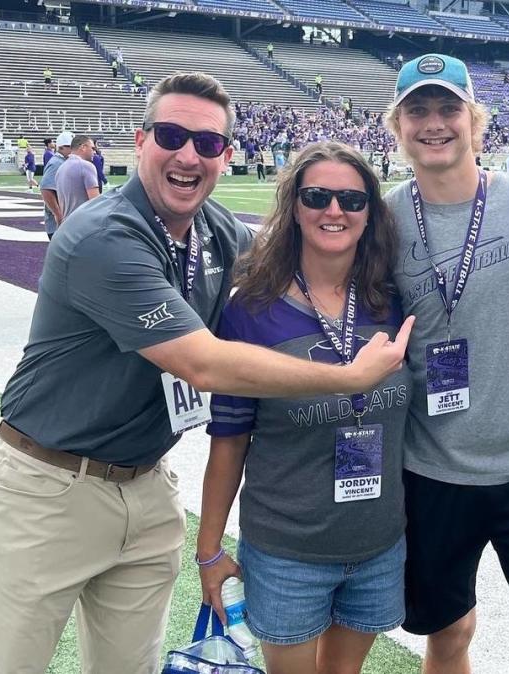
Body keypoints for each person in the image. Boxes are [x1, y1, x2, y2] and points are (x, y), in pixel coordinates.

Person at [0, 72, 411, 674]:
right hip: (49, 485)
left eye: (207, 143)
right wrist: (350, 377)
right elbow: (199, 362)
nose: (188, 154)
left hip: (146, 484)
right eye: (172, 135)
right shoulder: (104, 234)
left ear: (225, 156)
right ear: (140, 139)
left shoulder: (210, 230)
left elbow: (289, 250)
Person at [383, 54, 509, 674]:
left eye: (449, 108)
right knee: (448, 636)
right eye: (417, 110)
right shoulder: (383, 218)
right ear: (397, 127)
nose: (434, 123)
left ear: (475, 120)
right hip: (430, 465)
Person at [198, 141, 412, 674]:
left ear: (371, 212)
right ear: (294, 205)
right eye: (317, 196)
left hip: (379, 540)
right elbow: (229, 440)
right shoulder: (251, 311)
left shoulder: (392, 300)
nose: (334, 211)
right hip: (287, 547)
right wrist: (208, 548)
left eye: (351, 199)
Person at [55, 134, 100, 220]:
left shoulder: (61, 168)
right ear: (83, 147)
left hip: (67, 224)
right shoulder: (86, 166)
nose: (94, 152)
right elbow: (96, 203)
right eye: (92, 148)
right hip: (83, 224)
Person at [39, 131, 73, 239]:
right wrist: (58, 214)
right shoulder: (56, 163)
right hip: (57, 225)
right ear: (62, 148)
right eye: (71, 147)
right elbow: (46, 189)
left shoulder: (63, 161)